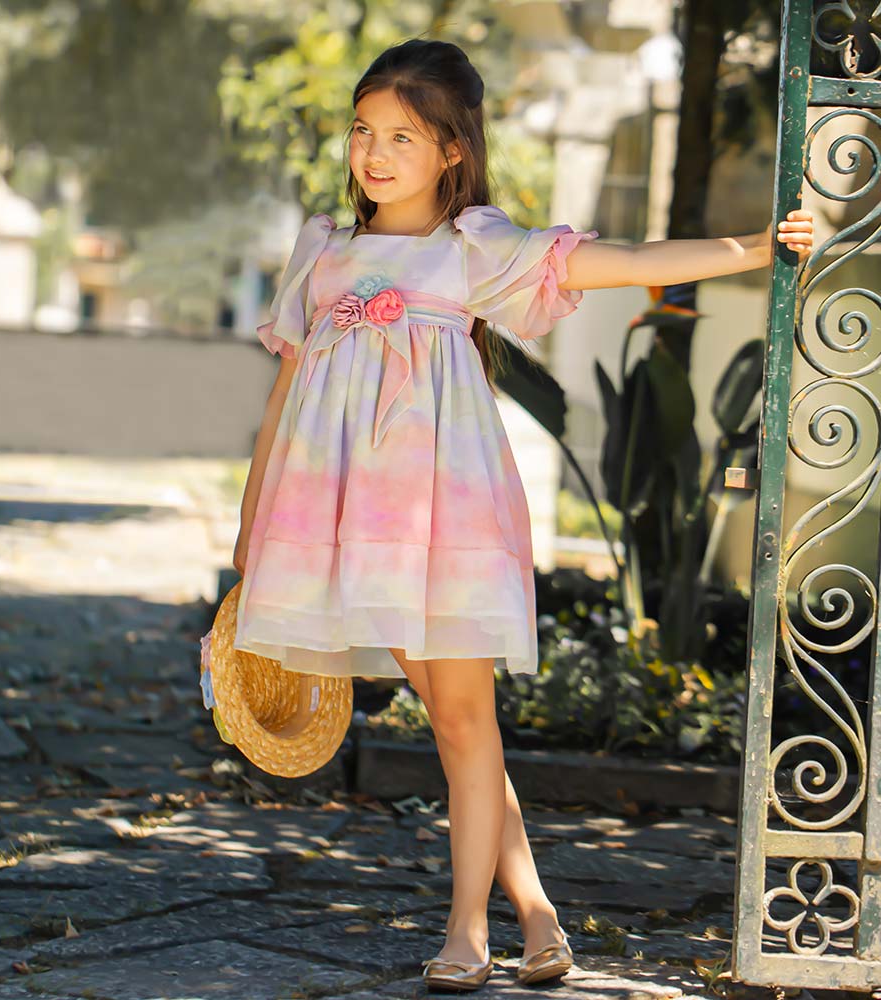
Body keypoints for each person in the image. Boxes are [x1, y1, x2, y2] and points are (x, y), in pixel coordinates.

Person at [229, 38, 814, 992]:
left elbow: (622, 261)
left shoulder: (475, 250)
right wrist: (253, 526)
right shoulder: (323, 254)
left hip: (443, 524)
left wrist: (754, 247)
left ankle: (469, 928)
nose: (374, 155)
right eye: (363, 132)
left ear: (452, 149)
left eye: (403, 137)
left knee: (465, 721)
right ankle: (537, 910)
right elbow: (284, 398)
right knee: (455, 723)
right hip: (340, 526)